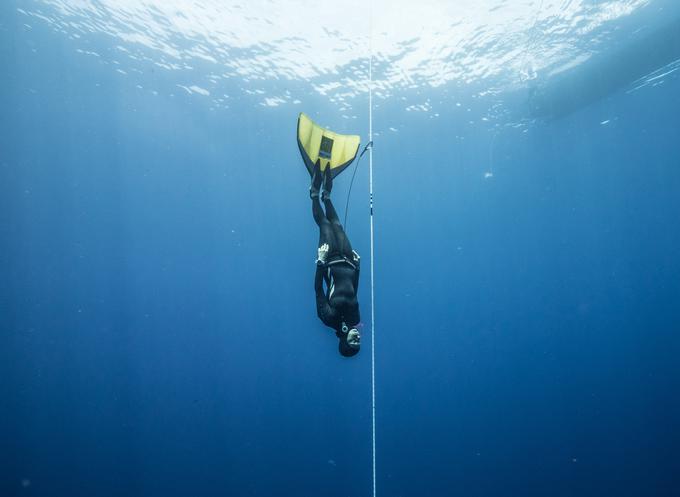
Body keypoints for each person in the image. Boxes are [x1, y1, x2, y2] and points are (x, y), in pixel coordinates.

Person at [309, 159, 361, 357]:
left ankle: (314, 194)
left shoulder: (328, 319)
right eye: (359, 342)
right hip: (348, 261)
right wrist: (358, 267)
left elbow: (318, 290)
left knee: (325, 224)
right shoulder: (355, 318)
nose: (358, 338)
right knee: (337, 225)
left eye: (353, 343)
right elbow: (354, 290)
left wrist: (320, 261)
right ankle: (327, 196)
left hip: (329, 259)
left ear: (344, 342)